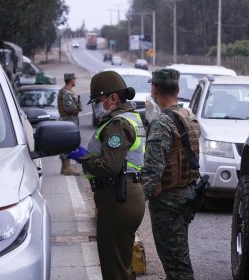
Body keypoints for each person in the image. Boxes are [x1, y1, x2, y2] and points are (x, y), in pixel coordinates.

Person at [70, 71, 146, 280]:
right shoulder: (131, 118)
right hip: (128, 194)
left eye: (99, 100)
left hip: (118, 197)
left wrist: (84, 158)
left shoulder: (118, 124)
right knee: (121, 265)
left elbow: (110, 166)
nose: (97, 105)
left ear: (113, 98)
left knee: (114, 270)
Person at [141, 68, 201, 280]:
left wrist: (136, 202)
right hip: (186, 195)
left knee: (177, 267)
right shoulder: (188, 116)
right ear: (178, 89)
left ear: (154, 89)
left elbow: (152, 169)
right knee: (177, 259)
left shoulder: (162, 123)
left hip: (168, 203)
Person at [57, 72, 82, 175]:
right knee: (67, 144)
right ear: (72, 80)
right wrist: (78, 107)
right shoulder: (67, 93)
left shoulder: (65, 91)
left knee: (65, 144)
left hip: (67, 121)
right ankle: (67, 168)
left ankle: (65, 168)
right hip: (68, 121)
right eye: (74, 79)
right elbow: (69, 108)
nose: (75, 81)